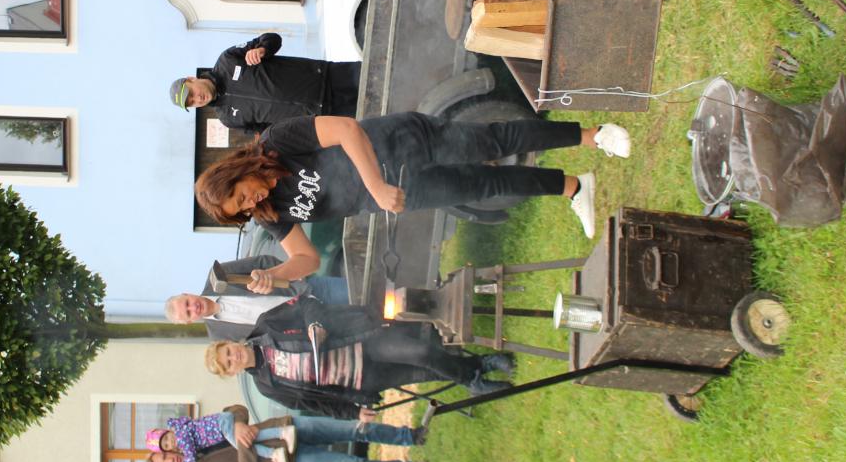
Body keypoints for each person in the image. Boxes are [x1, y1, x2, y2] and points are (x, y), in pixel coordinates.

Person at [194, 113, 631, 287]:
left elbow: (346, 130)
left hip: (402, 141)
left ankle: (593, 136)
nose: (251, 204)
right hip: (400, 193)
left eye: (242, 196)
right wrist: (277, 275)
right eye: (242, 211)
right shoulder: (270, 213)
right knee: (484, 186)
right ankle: (574, 187)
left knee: (492, 141)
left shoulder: (277, 142)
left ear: (236, 171)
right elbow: (306, 259)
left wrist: (375, 186)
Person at [206, 296, 519, 417]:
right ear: (232, 372)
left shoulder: (267, 325)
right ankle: (479, 367)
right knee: (424, 372)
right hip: (361, 380)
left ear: (232, 343)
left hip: (362, 341)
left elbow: (305, 304)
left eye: (229, 352)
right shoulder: (267, 386)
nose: (234, 358)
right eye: (229, 364)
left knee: (422, 352)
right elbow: (313, 404)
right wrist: (352, 413)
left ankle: (475, 378)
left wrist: (315, 324)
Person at [150, 409, 431, 462]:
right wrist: (243, 442)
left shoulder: (192, 434)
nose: (170, 458)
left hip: (286, 428)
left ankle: (410, 436)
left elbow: (235, 410)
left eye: (166, 456)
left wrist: (236, 424)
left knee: (354, 429)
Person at [170, 32, 360, 132]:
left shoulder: (227, 60)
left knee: (375, 75)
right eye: (192, 103)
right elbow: (270, 130)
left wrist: (262, 49)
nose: (197, 99)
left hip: (328, 77)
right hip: (326, 116)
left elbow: (272, 39)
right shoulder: (228, 119)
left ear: (191, 79)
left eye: (191, 93)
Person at [166, 254, 350, 341]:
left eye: (187, 303)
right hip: (311, 327)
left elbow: (262, 262)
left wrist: (293, 275)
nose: (193, 307)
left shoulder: (219, 275)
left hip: (309, 291)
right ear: (189, 322)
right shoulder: (219, 337)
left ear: (187, 294)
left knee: (365, 292)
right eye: (188, 313)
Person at [147, 409, 297, 462]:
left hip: (221, 425)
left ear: (167, 431)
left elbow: (191, 457)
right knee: (247, 439)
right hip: (221, 425)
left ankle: (275, 451)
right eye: (166, 446)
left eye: (166, 438)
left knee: (242, 444)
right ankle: (281, 435)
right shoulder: (181, 436)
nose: (170, 442)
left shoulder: (181, 435)